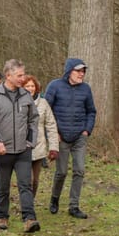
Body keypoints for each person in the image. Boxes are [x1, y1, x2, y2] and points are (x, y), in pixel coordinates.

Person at [0, 60, 40, 233]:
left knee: (25, 184)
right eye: (19, 75)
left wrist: (30, 141)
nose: (23, 78)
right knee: (3, 185)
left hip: (23, 150)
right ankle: (2, 216)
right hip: (3, 151)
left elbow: (33, 120)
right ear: (8, 75)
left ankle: (29, 218)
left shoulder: (26, 96)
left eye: (23, 74)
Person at [44, 58, 97, 219]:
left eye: (83, 71)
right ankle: (54, 199)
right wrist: (53, 134)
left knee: (79, 170)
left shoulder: (86, 89)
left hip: (79, 136)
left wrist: (87, 130)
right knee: (61, 172)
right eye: (78, 71)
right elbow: (46, 111)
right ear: (69, 71)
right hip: (60, 137)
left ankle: (74, 206)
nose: (81, 74)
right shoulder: (55, 86)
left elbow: (91, 111)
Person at [21, 75, 59, 200]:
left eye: (32, 86)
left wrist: (53, 148)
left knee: (35, 181)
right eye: (27, 86)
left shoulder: (43, 103)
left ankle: (30, 202)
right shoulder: (17, 102)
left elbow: (51, 125)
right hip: (21, 147)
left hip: (38, 147)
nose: (30, 88)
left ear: (36, 88)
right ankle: (26, 205)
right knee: (28, 179)